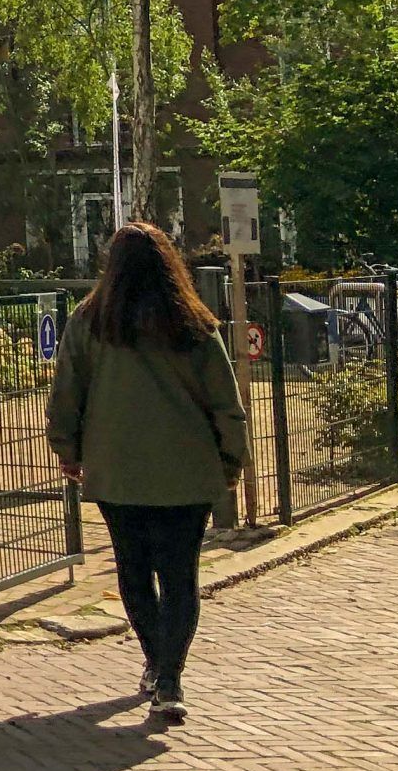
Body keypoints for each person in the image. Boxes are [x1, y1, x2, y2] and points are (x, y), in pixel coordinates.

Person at [46, 220, 248, 727]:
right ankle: (170, 678)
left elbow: (67, 390)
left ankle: (155, 664)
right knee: (180, 576)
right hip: (187, 468)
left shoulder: (90, 321)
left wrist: (67, 447)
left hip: (116, 469)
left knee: (133, 570)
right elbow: (226, 402)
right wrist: (232, 459)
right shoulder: (195, 324)